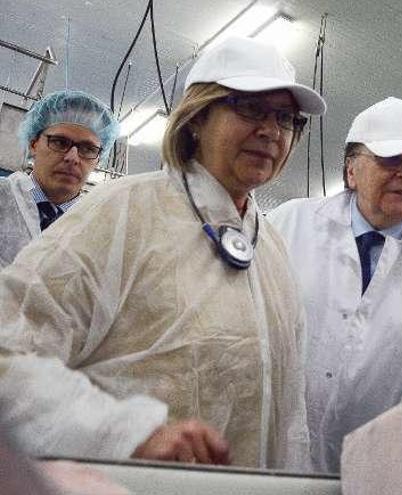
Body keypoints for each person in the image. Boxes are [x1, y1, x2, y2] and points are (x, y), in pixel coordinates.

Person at [0, 36, 325, 470]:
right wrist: (126, 432)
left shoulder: (273, 250)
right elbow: (9, 354)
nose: (270, 131)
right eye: (249, 108)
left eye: (286, 119)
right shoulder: (124, 211)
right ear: (197, 118)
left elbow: (289, 414)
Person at [268, 96, 402, 472]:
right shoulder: (288, 224)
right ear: (351, 170)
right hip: (280, 459)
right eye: (390, 160)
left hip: (382, 469)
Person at [0, 90, 119, 267]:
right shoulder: (4, 198)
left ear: (98, 160)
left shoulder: (101, 232)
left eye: (87, 149)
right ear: (33, 144)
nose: (73, 157)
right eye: (60, 142)